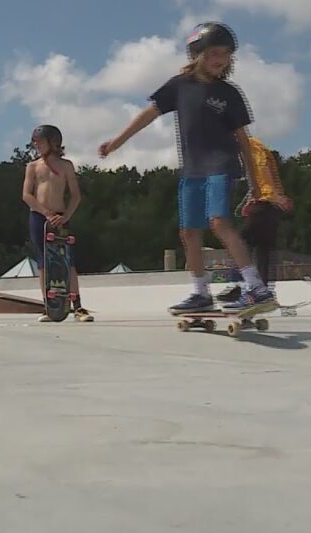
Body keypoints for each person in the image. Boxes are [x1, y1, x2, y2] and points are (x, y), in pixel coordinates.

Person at [99, 22, 274, 314]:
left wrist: (255, 181)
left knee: (218, 222)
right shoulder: (179, 87)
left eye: (226, 55)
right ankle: (200, 292)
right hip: (192, 169)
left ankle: (257, 288)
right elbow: (148, 114)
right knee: (189, 231)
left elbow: (243, 140)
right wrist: (117, 142)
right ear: (197, 54)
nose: (220, 60)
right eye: (214, 53)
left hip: (221, 164)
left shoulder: (229, 93)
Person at [22, 124, 93, 322]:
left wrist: (66, 216)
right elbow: (26, 195)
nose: (36, 145)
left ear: (53, 142)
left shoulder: (66, 165)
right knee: (43, 262)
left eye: (39, 141)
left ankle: (77, 306)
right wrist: (45, 212)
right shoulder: (33, 166)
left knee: (68, 261)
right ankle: (49, 306)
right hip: (39, 217)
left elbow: (76, 195)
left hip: (61, 217)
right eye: (34, 142)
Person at [217, 136, 293, 302]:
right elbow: (257, 179)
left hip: (267, 203)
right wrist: (252, 199)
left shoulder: (250, 146)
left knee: (239, 242)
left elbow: (262, 168)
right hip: (271, 206)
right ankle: (262, 292)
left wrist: (271, 196)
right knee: (263, 249)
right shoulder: (252, 147)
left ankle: (237, 285)